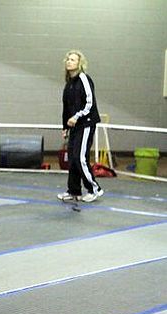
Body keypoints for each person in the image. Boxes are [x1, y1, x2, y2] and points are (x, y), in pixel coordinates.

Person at [57, 50, 103, 203]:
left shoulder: (84, 79)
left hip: (86, 123)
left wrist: (76, 117)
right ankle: (73, 191)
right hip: (74, 126)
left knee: (80, 157)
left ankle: (94, 189)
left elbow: (90, 103)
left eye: (73, 59)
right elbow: (67, 107)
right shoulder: (69, 83)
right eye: (68, 59)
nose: (69, 61)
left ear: (79, 63)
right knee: (72, 158)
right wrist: (65, 127)